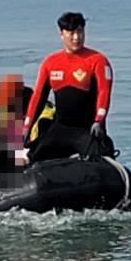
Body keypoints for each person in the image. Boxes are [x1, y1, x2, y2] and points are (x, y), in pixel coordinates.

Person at [24, 12, 115, 161]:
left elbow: (104, 92)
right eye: (71, 33)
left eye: (80, 32)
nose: (76, 37)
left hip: (87, 129)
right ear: (61, 34)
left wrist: (99, 121)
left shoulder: (97, 61)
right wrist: (27, 126)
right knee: (34, 158)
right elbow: (38, 97)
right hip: (60, 128)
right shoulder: (51, 63)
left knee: (101, 160)